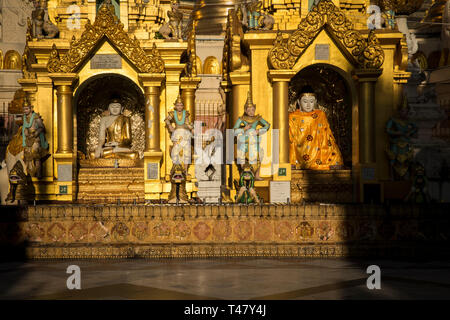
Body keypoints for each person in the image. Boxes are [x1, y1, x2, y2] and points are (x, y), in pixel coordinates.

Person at [289, 85, 343, 170]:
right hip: (298, 154)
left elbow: (327, 137)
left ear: (315, 102)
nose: (308, 104)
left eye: (311, 101)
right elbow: (290, 139)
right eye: (305, 101)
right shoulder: (293, 117)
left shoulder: (320, 115)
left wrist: (332, 159)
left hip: (319, 156)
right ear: (299, 102)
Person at [233, 91, 270, 180]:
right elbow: (234, 130)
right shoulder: (241, 119)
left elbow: (267, 125)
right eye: (249, 110)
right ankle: (244, 175)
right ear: (245, 110)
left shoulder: (257, 118)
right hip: (245, 141)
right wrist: (244, 129)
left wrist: (259, 130)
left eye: (252, 110)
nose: (251, 112)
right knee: (243, 158)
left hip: (254, 140)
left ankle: (256, 174)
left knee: (259, 157)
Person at [165, 94, 193, 175]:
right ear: (175, 106)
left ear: (183, 106)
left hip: (185, 133)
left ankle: (185, 170)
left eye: (181, 105)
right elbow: (166, 120)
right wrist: (170, 126)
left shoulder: (186, 113)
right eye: (178, 105)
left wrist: (191, 127)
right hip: (176, 133)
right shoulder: (173, 113)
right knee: (175, 151)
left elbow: (188, 123)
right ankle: (175, 168)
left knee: (187, 152)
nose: (180, 107)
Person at [22, 100, 49, 178]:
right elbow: (25, 127)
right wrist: (26, 132)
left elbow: (42, 127)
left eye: (27, 109)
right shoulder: (24, 118)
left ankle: (39, 173)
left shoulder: (36, 117)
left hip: (35, 139)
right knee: (27, 156)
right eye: (24, 109)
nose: (25, 111)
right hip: (28, 140)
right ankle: (29, 174)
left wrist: (35, 134)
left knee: (35, 155)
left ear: (31, 108)